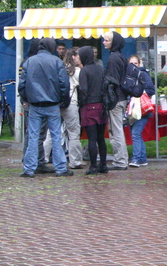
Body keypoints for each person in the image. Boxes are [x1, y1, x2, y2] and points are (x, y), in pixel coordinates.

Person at [19, 38, 72, 178]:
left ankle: (29, 169)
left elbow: (22, 85)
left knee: (33, 137)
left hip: (35, 105)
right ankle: (60, 168)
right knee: (56, 136)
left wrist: (26, 99)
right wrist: (62, 100)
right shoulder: (57, 61)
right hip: (53, 104)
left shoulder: (29, 61)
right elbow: (64, 84)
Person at [20, 39, 51, 173]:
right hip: (37, 101)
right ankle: (37, 161)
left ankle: (29, 159)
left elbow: (22, 84)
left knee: (31, 133)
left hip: (29, 100)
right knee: (37, 134)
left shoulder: (26, 62)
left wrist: (24, 98)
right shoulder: (36, 62)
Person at [77, 46, 109, 175]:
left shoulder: (84, 71)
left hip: (89, 107)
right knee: (101, 138)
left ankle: (93, 166)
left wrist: (81, 102)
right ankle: (103, 164)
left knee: (92, 138)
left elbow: (83, 89)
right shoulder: (100, 69)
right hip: (101, 106)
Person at [103, 31, 129, 170]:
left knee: (116, 130)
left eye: (106, 40)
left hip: (115, 99)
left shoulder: (113, 59)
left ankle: (120, 161)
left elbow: (111, 81)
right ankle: (121, 160)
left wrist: (108, 98)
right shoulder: (121, 57)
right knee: (117, 129)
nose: (104, 42)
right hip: (121, 98)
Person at [128, 55, 156, 168]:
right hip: (133, 108)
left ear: (139, 64)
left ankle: (136, 158)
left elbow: (151, 89)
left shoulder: (143, 74)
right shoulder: (128, 75)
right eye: (131, 63)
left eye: (135, 63)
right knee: (137, 134)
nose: (133, 66)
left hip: (141, 108)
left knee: (135, 133)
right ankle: (142, 158)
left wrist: (139, 94)